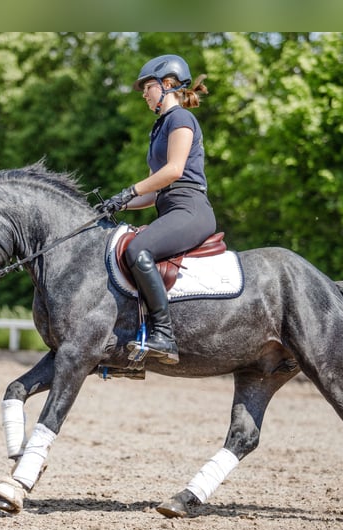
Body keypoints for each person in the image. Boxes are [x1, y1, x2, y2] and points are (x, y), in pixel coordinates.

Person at [99, 54, 216, 365]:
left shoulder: (181, 119)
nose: (144, 93)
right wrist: (117, 202)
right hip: (170, 206)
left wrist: (130, 189)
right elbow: (155, 193)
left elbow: (174, 171)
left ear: (167, 85)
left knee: (137, 250)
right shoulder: (160, 126)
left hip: (190, 208)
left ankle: (164, 334)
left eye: (147, 87)